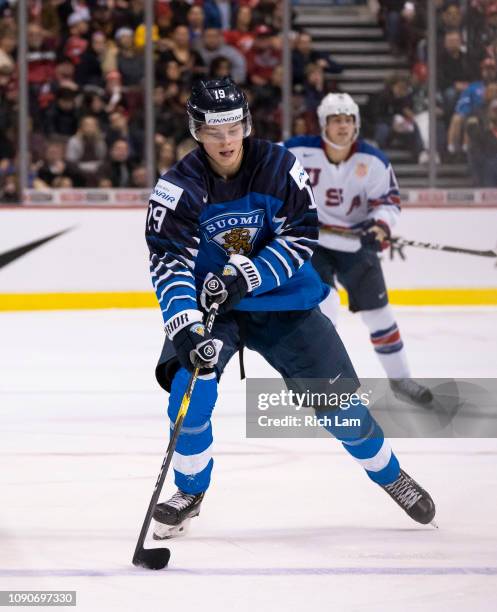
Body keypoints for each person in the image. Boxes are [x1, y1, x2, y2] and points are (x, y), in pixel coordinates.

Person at [145, 78, 436, 539]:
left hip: (287, 301)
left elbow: (301, 236)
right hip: (216, 310)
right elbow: (169, 262)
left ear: (246, 124)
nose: (225, 140)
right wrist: (185, 327)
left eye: (233, 127)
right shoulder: (177, 188)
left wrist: (249, 275)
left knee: (341, 409)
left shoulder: (279, 166)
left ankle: (390, 474)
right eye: (213, 131)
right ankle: (190, 492)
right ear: (195, 130)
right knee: (189, 393)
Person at [284, 92, 432, 406]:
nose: (342, 126)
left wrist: (380, 224)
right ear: (324, 124)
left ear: (356, 124)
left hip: (356, 243)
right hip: (313, 243)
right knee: (324, 308)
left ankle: (401, 379)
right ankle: (320, 381)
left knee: (380, 315)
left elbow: (388, 202)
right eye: (336, 120)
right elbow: (265, 173)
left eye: (348, 120)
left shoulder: (373, 161)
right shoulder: (297, 151)